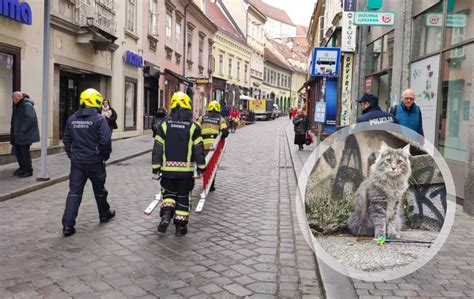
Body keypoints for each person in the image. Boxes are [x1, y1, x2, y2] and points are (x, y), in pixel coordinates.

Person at [61, 88, 115, 237]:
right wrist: (105, 156)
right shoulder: (99, 120)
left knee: (74, 192)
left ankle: (67, 224)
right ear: (96, 101)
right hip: (95, 161)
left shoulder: (72, 119)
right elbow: (105, 140)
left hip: (77, 162)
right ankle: (104, 214)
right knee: (99, 190)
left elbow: (66, 140)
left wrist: (72, 155)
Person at [152, 92, 206, 236]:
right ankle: (180, 227)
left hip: (168, 171)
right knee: (183, 197)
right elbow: (198, 149)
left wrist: (155, 167)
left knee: (168, 194)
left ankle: (166, 216)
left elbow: (157, 147)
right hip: (185, 173)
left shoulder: (164, 125)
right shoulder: (194, 127)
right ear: (188, 106)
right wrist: (201, 167)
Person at [197, 101, 229, 191]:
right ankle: (210, 185)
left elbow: (195, 129)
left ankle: (204, 179)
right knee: (213, 165)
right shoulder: (221, 119)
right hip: (214, 146)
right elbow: (225, 132)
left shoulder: (202, 118)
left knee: (204, 164)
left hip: (202, 146)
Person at [10, 91, 40, 178]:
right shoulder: (18, 106)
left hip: (24, 135)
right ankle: (22, 168)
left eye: (13, 98)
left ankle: (28, 170)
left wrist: (21, 130)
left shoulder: (26, 105)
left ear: (17, 98)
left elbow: (29, 119)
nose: (13, 100)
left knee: (24, 153)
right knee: (19, 153)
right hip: (18, 135)